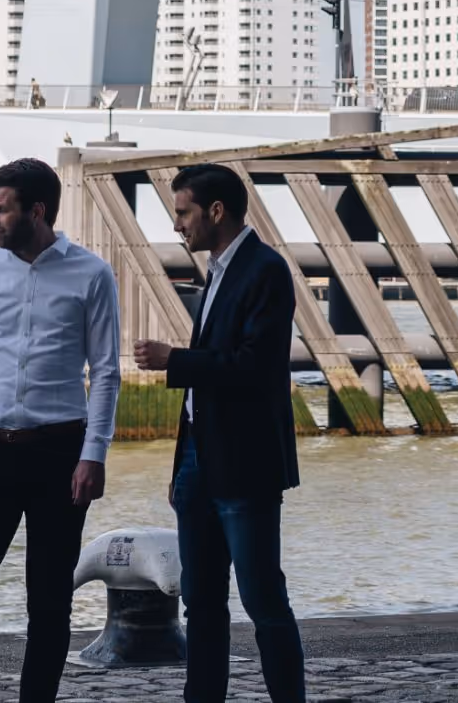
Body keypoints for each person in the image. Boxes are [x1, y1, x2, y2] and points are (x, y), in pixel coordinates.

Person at [0, 156, 122, 703]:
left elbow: (106, 372)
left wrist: (94, 455)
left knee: (48, 603)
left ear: (36, 211)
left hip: (60, 456)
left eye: (1, 208)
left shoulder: (91, 274)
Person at [133, 164, 309, 703]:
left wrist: (174, 360)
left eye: (183, 212)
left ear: (215, 211)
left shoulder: (266, 270)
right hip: (199, 466)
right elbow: (202, 397)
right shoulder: (220, 270)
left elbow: (254, 367)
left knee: (262, 600)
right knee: (201, 602)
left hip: (245, 466)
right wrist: (180, 467)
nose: (177, 225)